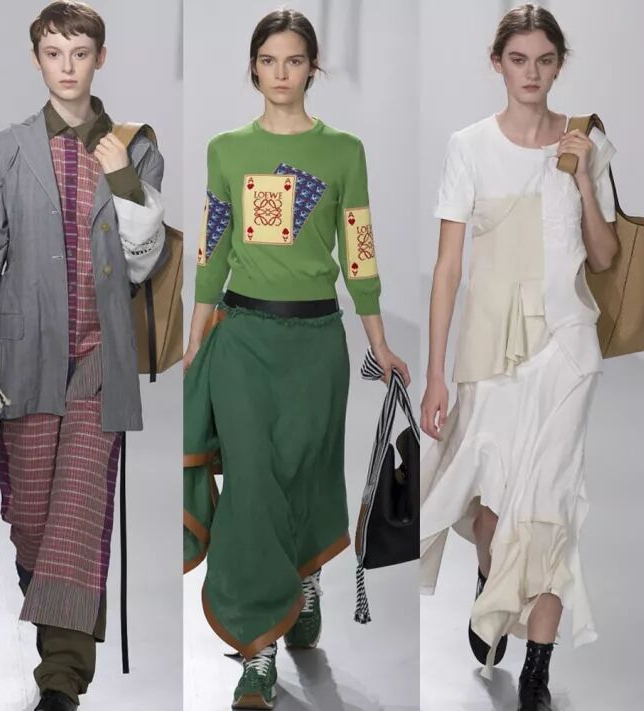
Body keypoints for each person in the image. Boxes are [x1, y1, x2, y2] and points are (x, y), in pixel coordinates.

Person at [183, 9, 409, 710]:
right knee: (251, 485)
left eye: (295, 60)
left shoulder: (344, 152)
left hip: (315, 344)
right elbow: (213, 249)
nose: (281, 73)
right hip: (244, 341)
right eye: (269, 60)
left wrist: (379, 340)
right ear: (253, 67)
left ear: (314, 68)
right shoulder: (227, 150)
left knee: (307, 473)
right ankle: (258, 649)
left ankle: (303, 584)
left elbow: (359, 251)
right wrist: (194, 340)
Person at [0, 2, 167, 709]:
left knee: (78, 511)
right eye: (54, 52)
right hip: (24, 357)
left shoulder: (135, 147)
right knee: (32, 517)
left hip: (100, 361)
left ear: (101, 58)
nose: (67, 66)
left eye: (80, 52)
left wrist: (125, 179)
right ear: (37, 59)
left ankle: (62, 681)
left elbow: (144, 264)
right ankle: (45, 598)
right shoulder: (7, 148)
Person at [419, 5, 618, 710]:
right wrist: (436, 373)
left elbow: (604, 256)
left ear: (559, 64)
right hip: (491, 350)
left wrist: (583, 176)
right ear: (497, 63)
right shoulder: (469, 146)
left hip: (567, 350)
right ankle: (490, 578)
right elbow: (448, 268)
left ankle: (538, 668)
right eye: (518, 59)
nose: (532, 73)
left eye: (544, 60)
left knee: (549, 506)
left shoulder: (584, 141)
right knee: (492, 510)